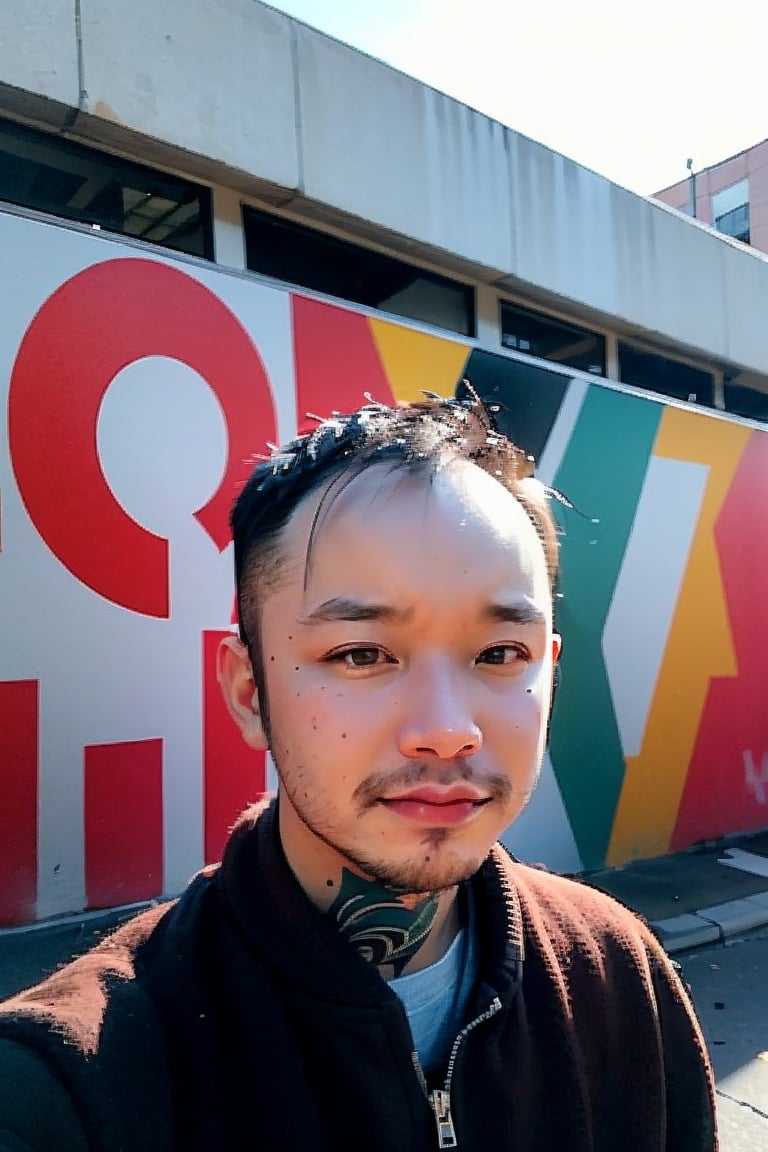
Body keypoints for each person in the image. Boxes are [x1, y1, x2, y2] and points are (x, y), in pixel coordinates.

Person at [0, 395, 717, 1151]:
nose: (448, 731)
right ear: (251, 693)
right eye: (361, 654)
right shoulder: (71, 1085)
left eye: (501, 654)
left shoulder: (615, 974)